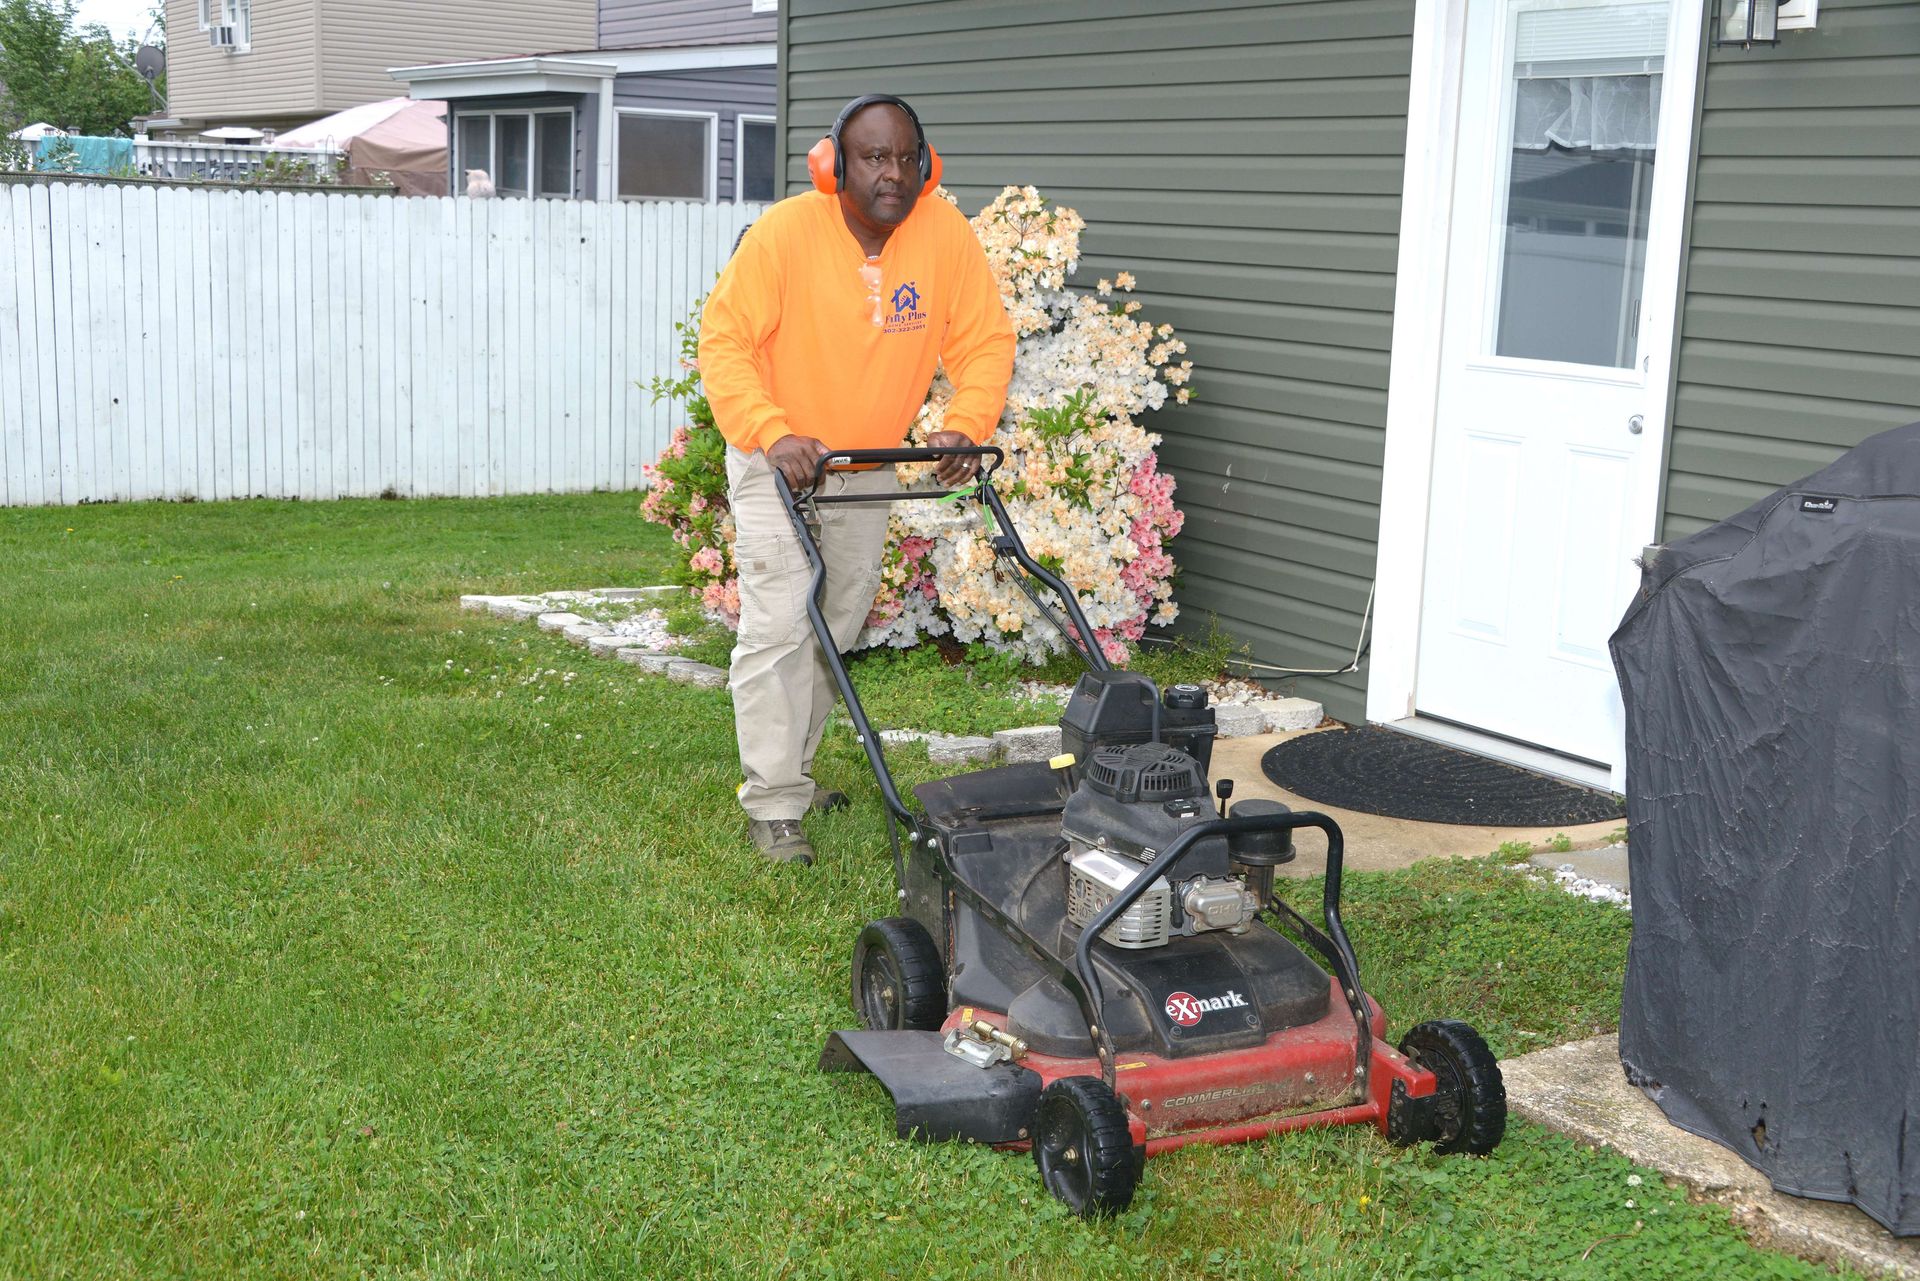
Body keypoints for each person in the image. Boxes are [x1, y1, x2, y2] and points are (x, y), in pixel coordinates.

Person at [698, 94, 1016, 866]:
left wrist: (964, 426)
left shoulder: (944, 236)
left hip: (866, 469)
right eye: (874, 156)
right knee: (779, 621)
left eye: (907, 157)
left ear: (926, 165)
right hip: (780, 459)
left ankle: (794, 776)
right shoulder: (785, 234)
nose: (893, 173)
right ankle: (773, 802)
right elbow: (725, 341)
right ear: (836, 165)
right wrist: (774, 433)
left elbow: (983, 341)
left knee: (834, 628)